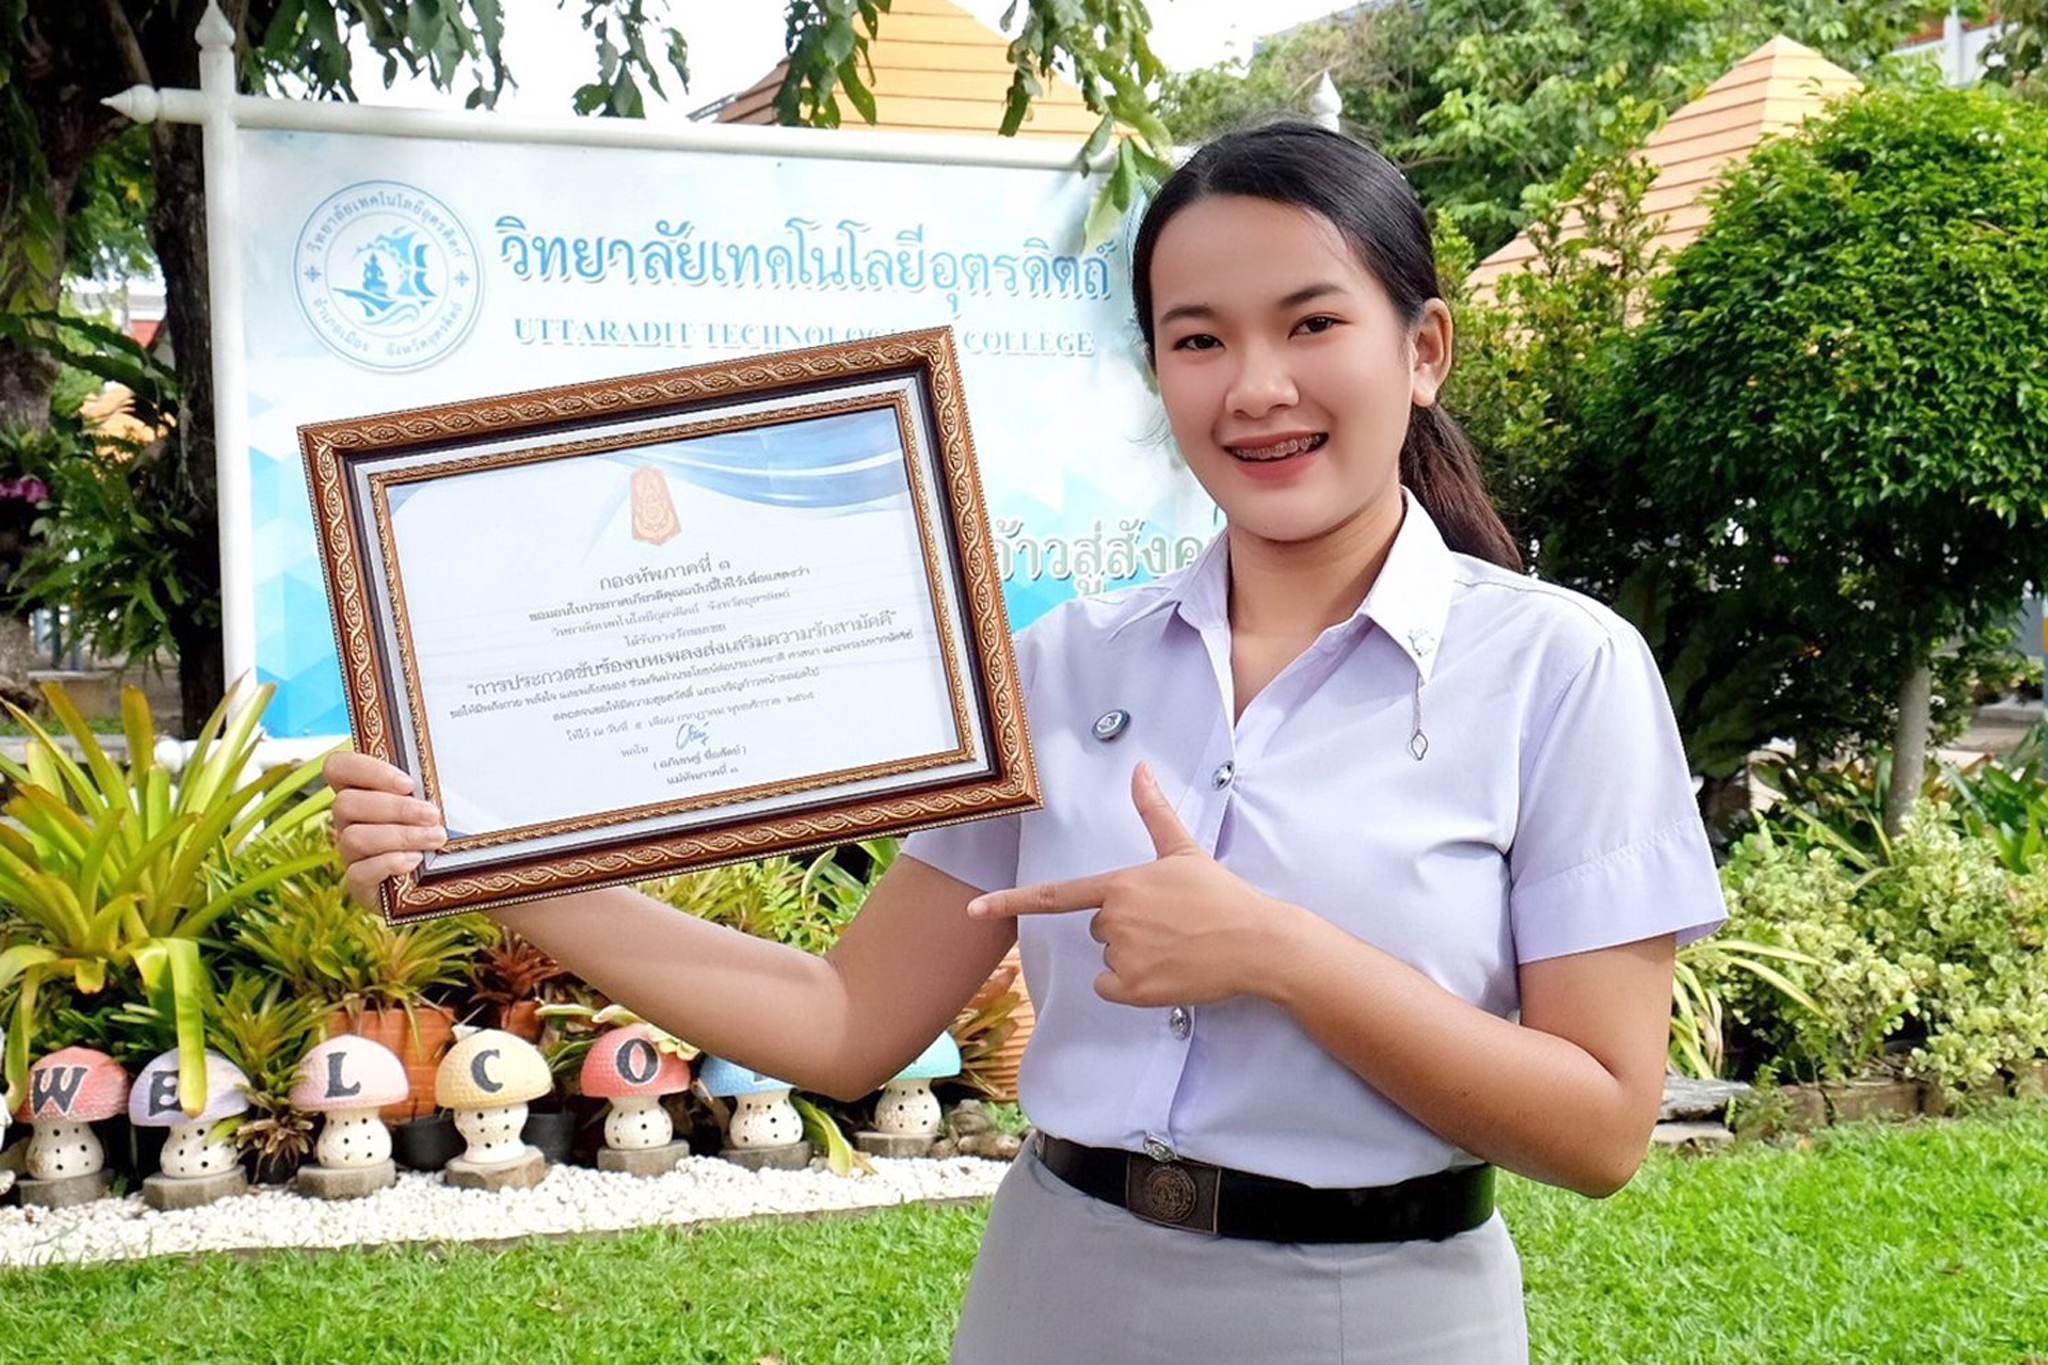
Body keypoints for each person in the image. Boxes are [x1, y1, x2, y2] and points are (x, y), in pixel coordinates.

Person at [324, 120, 1727, 1364]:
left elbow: (1601, 1126)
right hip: (1063, 1289)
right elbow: (844, 1021)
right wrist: (499, 867)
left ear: (1421, 351)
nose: (1255, 386)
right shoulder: (1065, 664)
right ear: (1157, 372)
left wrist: (1279, 954)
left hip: (1379, 1310)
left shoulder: (1560, 669)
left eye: (1312, 324)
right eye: (1198, 338)